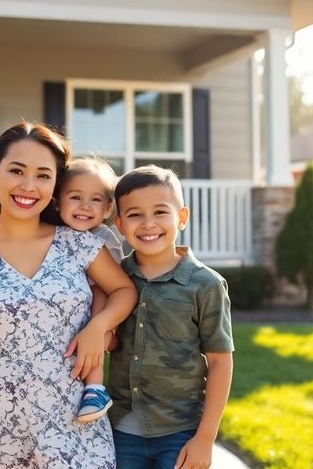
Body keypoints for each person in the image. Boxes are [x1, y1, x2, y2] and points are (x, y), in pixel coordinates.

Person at [0, 122, 137, 469]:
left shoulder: (78, 243)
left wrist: (98, 327)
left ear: (55, 185)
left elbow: (124, 290)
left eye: (43, 175)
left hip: (74, 426)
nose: (28, 186)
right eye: (16, 171)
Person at [107, 165, 235, 469]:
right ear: (119, 224)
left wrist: (205, 438)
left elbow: (220, 361)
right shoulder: (114, 278)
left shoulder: (205, 284)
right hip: (121, 430)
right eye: (135, 214)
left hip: (180, 431)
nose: (148, 223)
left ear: (182, 217)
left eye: (160, 212)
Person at [55, 157, 125, 423]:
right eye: (75, 197)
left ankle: (95, 388)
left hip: (104, 309)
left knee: (99, 296)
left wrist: (102, 328)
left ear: (107, 208)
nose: (85, 206)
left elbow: (113, 285)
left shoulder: (104, 238)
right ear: (57, 202)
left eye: (95, 200)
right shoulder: (55, 234)